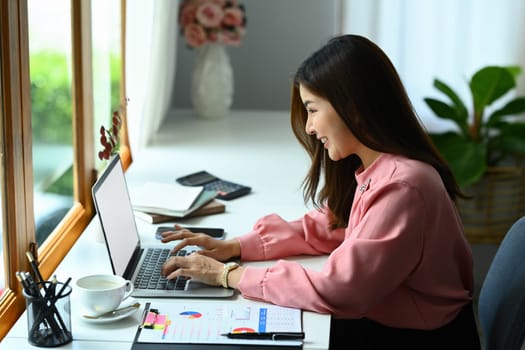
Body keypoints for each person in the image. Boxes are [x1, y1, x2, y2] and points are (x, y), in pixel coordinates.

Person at [161, 34, 481, 349]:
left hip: (418, 340)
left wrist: (228, 275)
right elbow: (332, 224)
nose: (310, 128)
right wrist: (234, 247)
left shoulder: (403, 186)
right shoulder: (382, 170)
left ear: (352, 107)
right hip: (398, 326)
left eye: (313, 110)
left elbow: (339, 289)